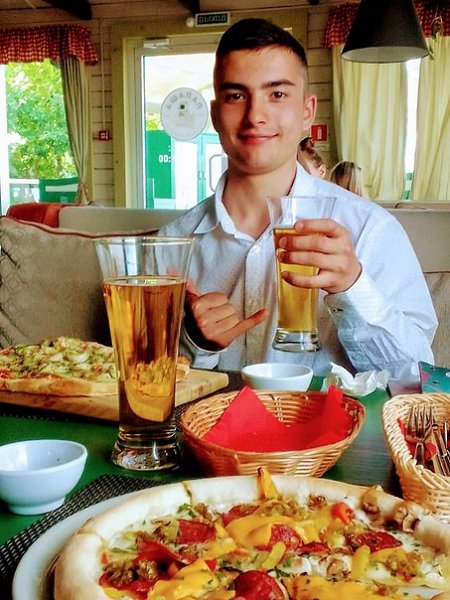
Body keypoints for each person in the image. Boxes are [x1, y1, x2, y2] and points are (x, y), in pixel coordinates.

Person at [160, 18, 436, 381]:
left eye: (277, 94)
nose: (255, 116)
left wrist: (353, 286)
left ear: (307, 111)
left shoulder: (370, 229)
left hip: (335, 421)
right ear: (215, 114)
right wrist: (196, 344)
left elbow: (416, 376)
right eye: (236, 96)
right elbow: (142, 379)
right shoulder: (169, 246)